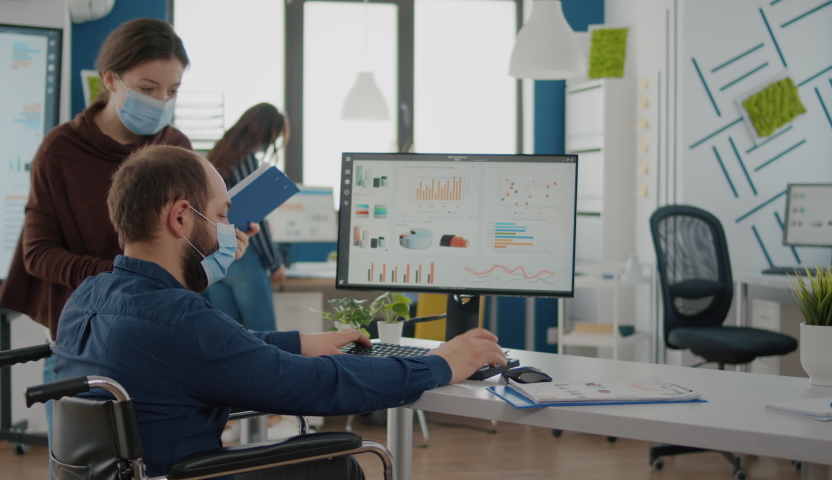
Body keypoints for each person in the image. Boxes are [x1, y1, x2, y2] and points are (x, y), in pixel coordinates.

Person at [52, 144, 507, 480]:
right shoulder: (179, 319)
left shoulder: (86, 298)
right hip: (183, 473)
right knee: (340, 467)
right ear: (180, 219)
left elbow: (217, 352)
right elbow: (317, 387)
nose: (230, 230)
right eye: (222, 214)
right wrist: (438, 365)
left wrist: (301, 343)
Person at [0, 18, 257, 471]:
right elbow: (37, 254)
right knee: (88, 470)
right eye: (148, 87)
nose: (161, 101)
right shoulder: (59, 152)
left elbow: (180, 247)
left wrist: (215, 245)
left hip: (159, 343)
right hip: (84, 346)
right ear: (111, 79)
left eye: (172, 91)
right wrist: (128, 279)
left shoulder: (175, 146)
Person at [205, 103, 289, 332]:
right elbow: (254, 220)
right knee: (265, 336)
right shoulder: (247, 161)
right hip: (242, 256)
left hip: (214, 257)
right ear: (266, 131)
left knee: (227, 337)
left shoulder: (218, 154)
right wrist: (275, 264)